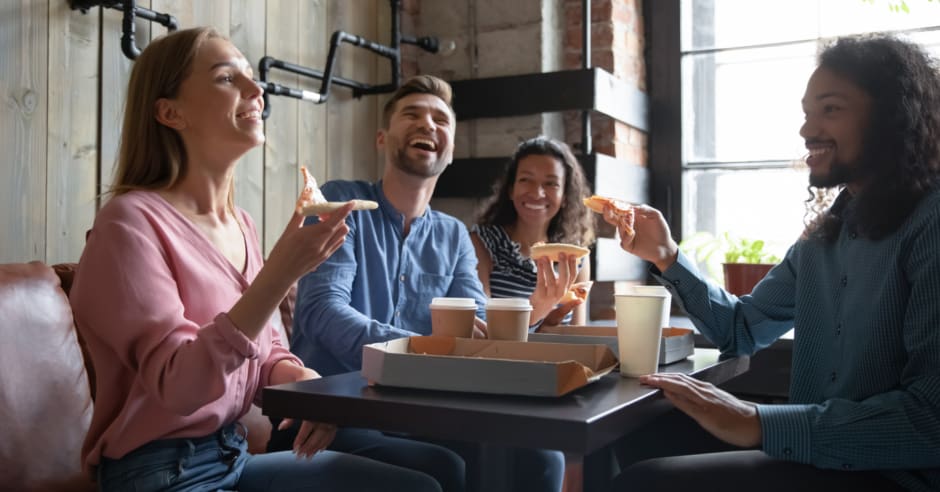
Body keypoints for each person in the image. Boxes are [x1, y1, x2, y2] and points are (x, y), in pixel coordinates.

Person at [68, 26, 444, 492]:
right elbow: (180, 387)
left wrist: (309, 387)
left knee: (429, 477)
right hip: (160, 475)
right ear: (170, 112)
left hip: (231, 456)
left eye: (252, 76)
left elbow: (267, 355)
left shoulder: (240, 223)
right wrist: (280, 273)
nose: (256, 89)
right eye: (228, 78)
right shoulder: (128, 224)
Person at [603, 34, 940, 491]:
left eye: (831, 109)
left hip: (891, 474)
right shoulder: (825, 236)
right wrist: (666, 255)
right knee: (634, 434)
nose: (807, 130)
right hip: (811, 459)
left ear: (892, 117)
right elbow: (742, 329)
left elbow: (930, 418)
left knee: (644, 483)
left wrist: (757, 421)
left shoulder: (930, 223)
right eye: (807, 113)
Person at [269, 75, 566, 492]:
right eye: (412, 114)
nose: (428, 124)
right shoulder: (341, 202)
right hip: (332, 414)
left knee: (540, 458)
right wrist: (422, 350)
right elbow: (322, 312)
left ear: (451, 152)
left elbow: (477, 329)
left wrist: (530, 312)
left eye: (440, 119)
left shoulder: (454, 235)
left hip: (423, 415)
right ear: (381, 137)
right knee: (442, 465)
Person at [471, 136, 595, 328]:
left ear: (565, 197)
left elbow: (578, 333)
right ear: (511, 190)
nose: (537, 193)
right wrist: (538, 310)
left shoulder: (576, 256)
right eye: (525, 180)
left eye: (551, 183)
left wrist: (549, 323)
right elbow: (481, 328)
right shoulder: (482, 242)